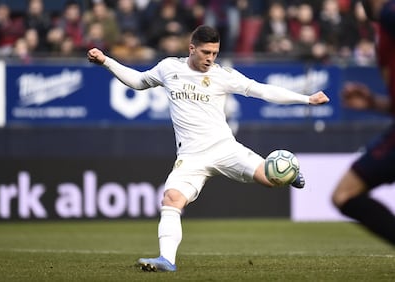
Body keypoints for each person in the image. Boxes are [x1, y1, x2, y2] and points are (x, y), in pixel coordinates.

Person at [87, 25, 330, 272]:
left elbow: (263, 90)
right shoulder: (169, 68)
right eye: (205, 52)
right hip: (190, 157)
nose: (210, 59)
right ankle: (166, 260)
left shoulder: (222, 75)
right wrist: (106, 61)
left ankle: (289, 173)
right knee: (171, 199)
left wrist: (306, 99)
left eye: (215, 53)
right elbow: (138, 81)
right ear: (191, 48)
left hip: (225, 148)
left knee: (270, 178)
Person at [332, 0, 395, 246]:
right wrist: (373, 103)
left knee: (345, 194)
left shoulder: (390, 13)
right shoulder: (383, 27)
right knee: (344, 194)